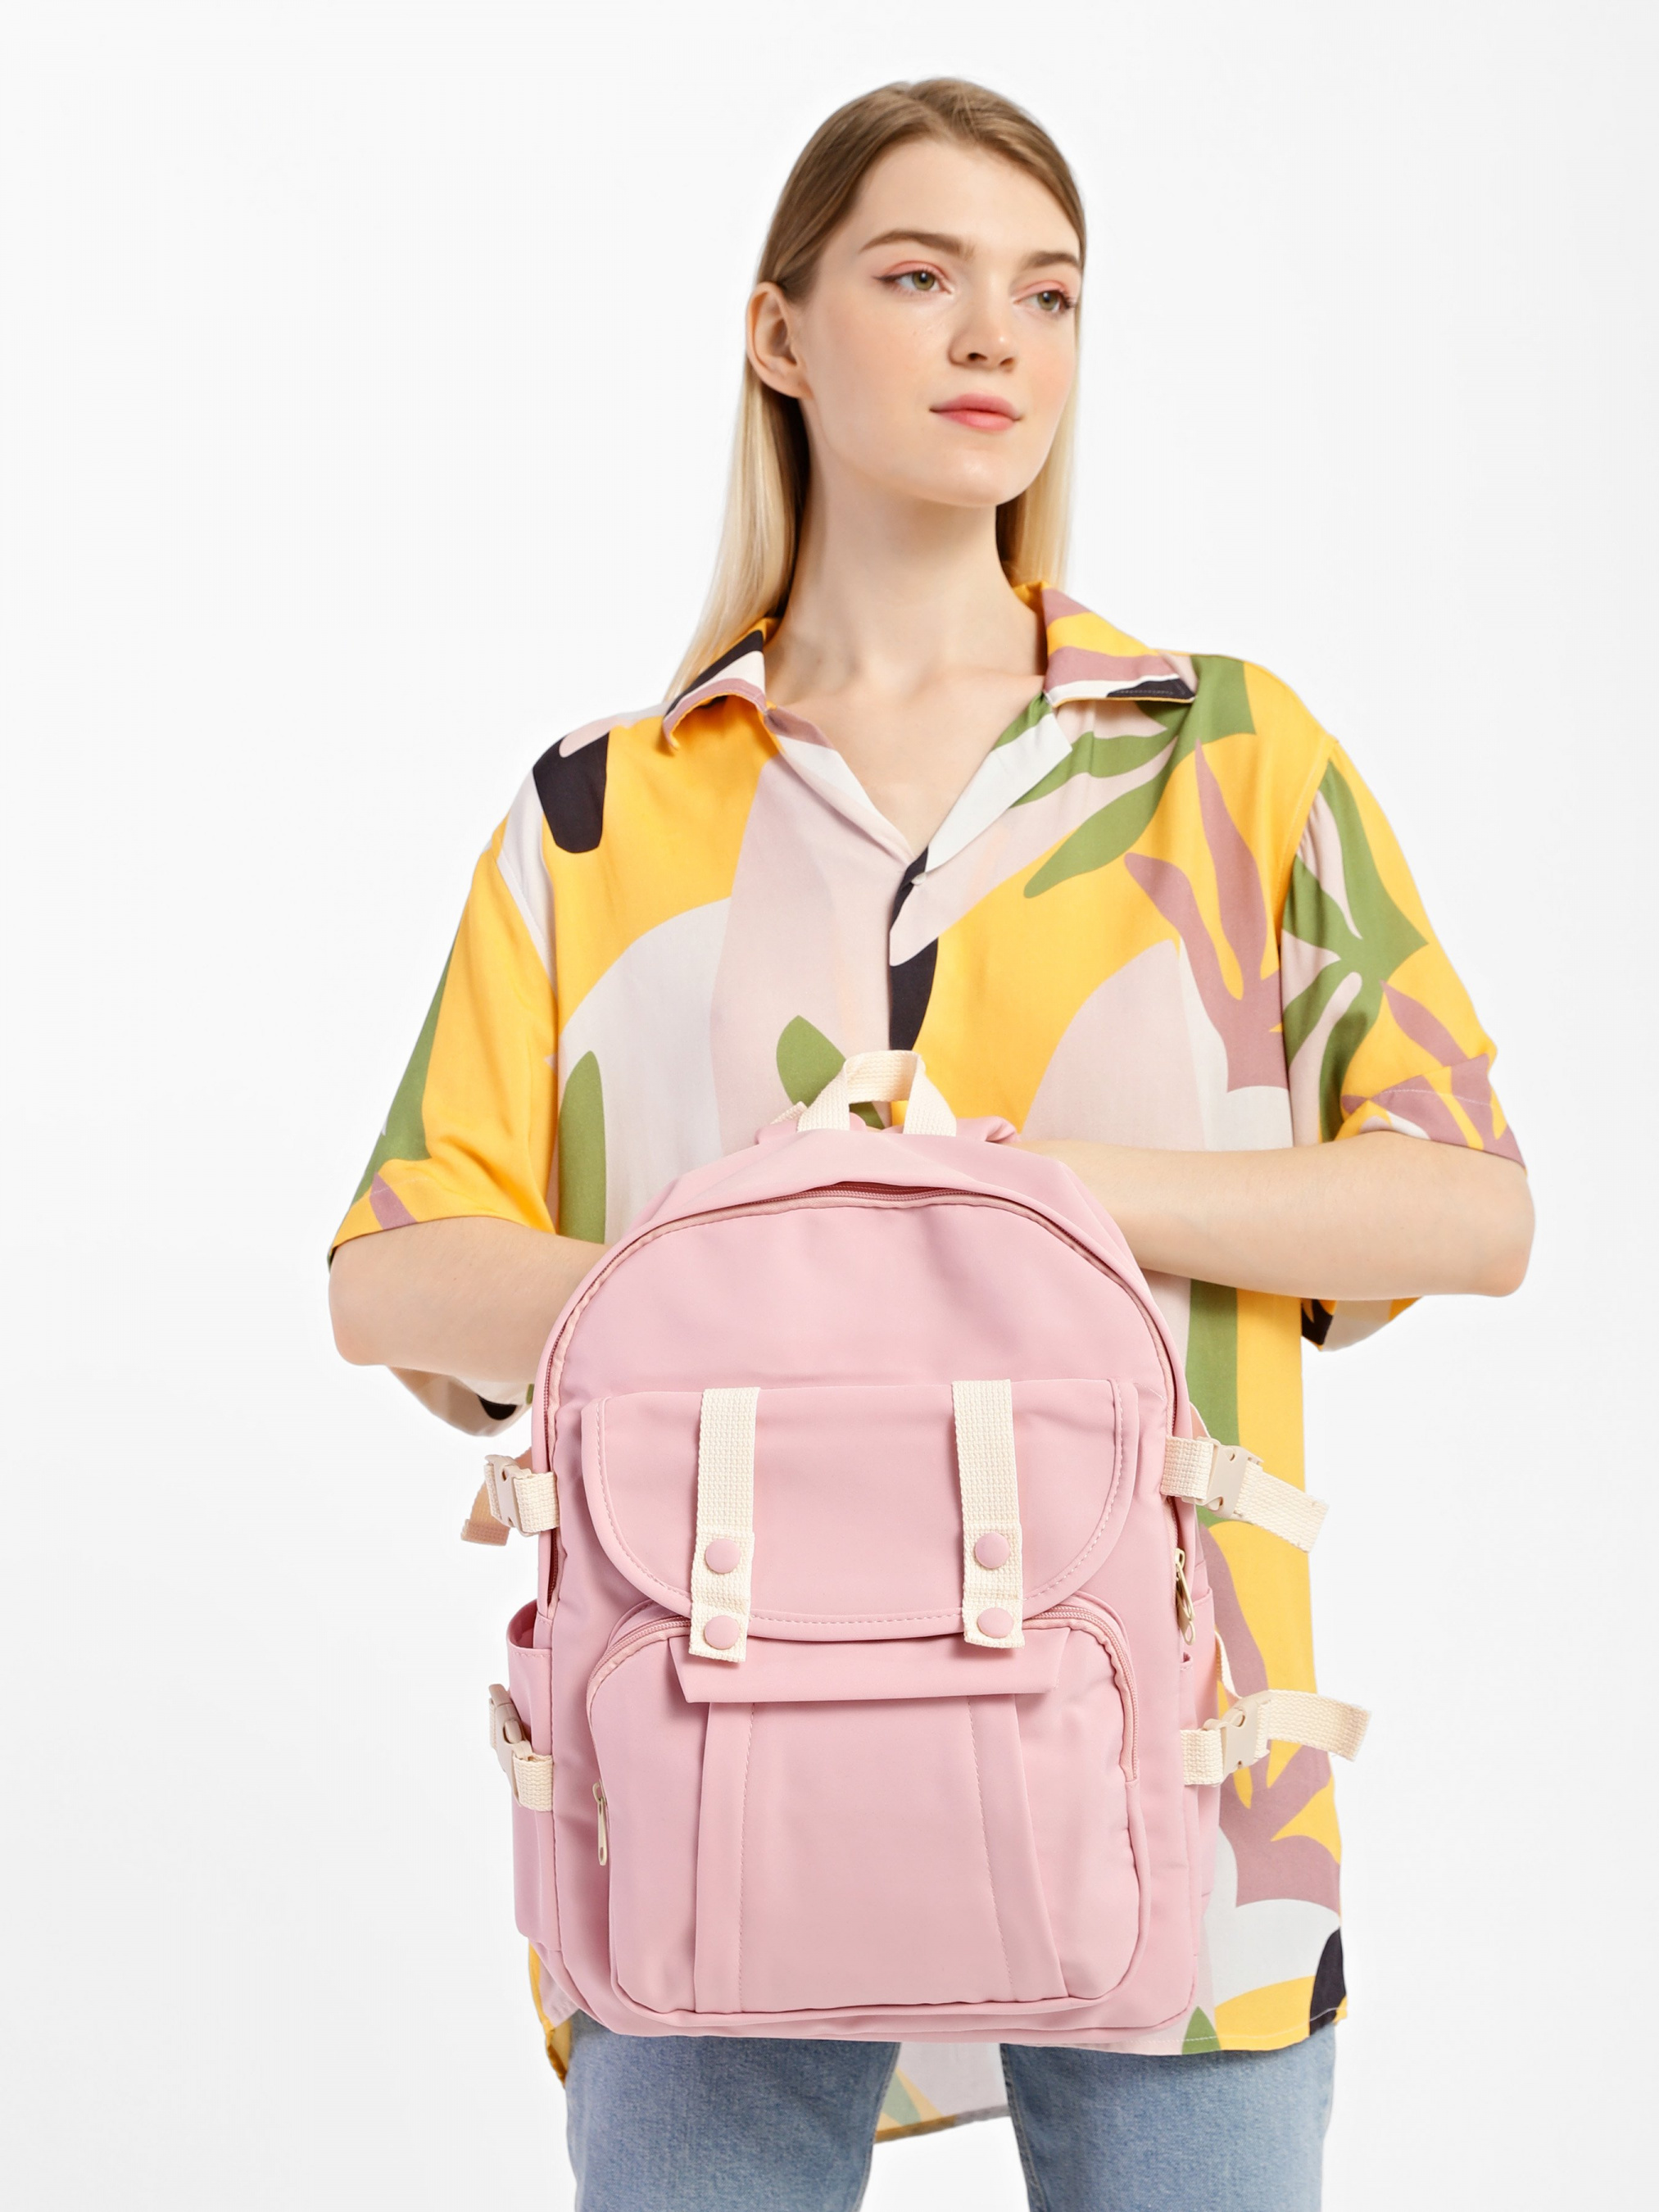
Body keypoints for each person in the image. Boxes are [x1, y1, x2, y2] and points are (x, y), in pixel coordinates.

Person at [329, 76, 1531, 2212]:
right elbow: (395, 1269)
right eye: (920, 277)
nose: (997, 339)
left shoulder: (1229, 758)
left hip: (1184, 1800)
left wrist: (1033, 1205)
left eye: (1048, 294)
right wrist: (764, 1262)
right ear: (779, 333)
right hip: (711, 1791)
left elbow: (1468, 1201)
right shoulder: (607, 808)